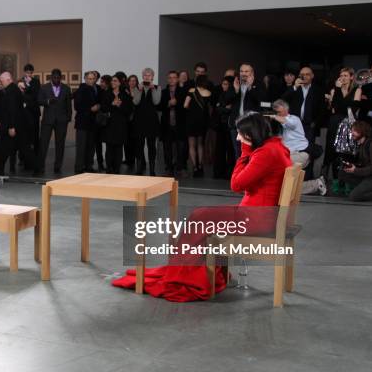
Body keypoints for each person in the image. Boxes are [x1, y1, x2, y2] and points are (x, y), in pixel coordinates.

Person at [112, 112, 292, 301]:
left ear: (250, 135)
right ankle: (193, 273)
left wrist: (244, 154)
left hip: (257, 218)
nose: (238, 138)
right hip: (264, 215)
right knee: (201, 217)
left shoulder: (265, 154)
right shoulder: (277, 148)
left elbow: (236, 185)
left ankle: (182, 277)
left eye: (240, 134)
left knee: (199, 217)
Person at [269, 99, 326, 195]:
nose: (277, 112)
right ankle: (316, 184)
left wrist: (274, 116)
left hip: (301, 154)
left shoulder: (294, 119)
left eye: (278, 110)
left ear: (286, 109)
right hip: (291, 154)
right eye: (275, 111)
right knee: (286, 188)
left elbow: (288, 123)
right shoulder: (278, 126)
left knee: (278, 165)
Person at [323, 67, 360, 192]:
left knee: (347, 154)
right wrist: (338, 90)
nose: (343, 78)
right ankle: (336, 182)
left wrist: (341, 104)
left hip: (348, 125)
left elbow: (352, 109)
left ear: (351, 77)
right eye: (341, 75)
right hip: (334, 123)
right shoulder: (335, 90)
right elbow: (334, 109)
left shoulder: (357, 90)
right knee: (333, 153)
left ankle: (348, 183)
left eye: (345, 75)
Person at [0, 72, 36, 175]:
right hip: (14, 126)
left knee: (8, 148)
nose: (1, 82)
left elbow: (12, 110)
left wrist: (11, 126)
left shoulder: (12, 91)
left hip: (13, 126)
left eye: (2, 80)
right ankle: (37, 168)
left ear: (8, 79)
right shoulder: (11, 89)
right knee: (19, 148)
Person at [36, 68, 72, 174]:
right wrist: (47, 101)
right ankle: (40, 166)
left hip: (62, 121)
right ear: (51, 77)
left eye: (58, 77)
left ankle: (58, 166)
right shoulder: (44, 87)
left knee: (60, 144)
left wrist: (68, 118)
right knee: (43, 143)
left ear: (61, 77)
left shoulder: (66, 88)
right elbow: (38, 101)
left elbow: (68, 105)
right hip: (47, 120)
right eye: (54, 77)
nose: (56, 79)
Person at [228, 63, 264, 157]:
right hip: (236, 125)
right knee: (238, 154)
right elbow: (225, 100)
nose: (243, 73)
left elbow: (262, 101)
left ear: (252, 73)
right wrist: (235, 90)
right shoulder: (236, 83)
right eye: (241, 71)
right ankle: (240, 172)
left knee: (251, 154)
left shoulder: (259, 84)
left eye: (246, 71)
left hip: (251, 126)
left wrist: (250, 87)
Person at [281, 66, 325, 143]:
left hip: (309, 125)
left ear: (312, 76)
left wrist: (315, 123)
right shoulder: (295, 88)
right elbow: (283, 100)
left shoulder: (318, 90)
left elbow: (322, 109)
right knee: (293, 147)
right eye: (302, 74)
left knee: (308, 149)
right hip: (294, 124)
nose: (304, 76)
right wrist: (294, 87)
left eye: (307, 74)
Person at [131, 68, 161, 176]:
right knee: (139, 145)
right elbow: (135, 101)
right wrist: (138, 90)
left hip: (151, 121)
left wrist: (153, 89)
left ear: (152, 77)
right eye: (145, 75)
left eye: (149, 75)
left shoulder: (158, 87)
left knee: (151, 145)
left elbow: (156, 101)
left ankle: (152, 170)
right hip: (139, 121)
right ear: (142, 77)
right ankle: (139, 168)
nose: (147, 77)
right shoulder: (137, 88)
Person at [101, 75, 133, 174]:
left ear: (119, 83)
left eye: (115, 81)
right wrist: (112, 105)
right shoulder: (106, 94)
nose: (112, 82)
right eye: (112, 81)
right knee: (109, 147)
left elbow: (129, 110)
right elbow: (103, 108)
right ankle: (109, 168)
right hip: (109, 124)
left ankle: (117, 169)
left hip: (121, 125)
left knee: (119, 148)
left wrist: (120, 105)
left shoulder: (125, 95)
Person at [338, 121, 372, 201]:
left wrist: (356, 170)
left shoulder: (371, 145)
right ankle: (363, 188)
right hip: (367, 175)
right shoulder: (360, 145)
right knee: (343, 173)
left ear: (362, 132)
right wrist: (352, 166)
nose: (351, 132)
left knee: (354, 197)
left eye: (354, 130)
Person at [159, 70, 186, 176]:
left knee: (181, 148)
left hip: (180, 124)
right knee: (167, 148)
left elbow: (186, 108)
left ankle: (180, 168)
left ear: (178, 79)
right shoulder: (163, 92)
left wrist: (176, 103)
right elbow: (159, 107)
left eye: (174, 77)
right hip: (167, 124)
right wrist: (168, 104)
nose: (172, 79)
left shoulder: (183, 91)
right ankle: (168, 168)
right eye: (170, 77)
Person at [184, 75, 211, 177]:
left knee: (191, 145)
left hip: (191, 121)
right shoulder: (209, 93)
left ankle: (194, 167)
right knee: (200, 144)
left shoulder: (191, 91)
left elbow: (185, 105)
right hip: (203, 121)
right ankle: (200, 166)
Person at [73, 72, 100, 174]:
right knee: (81, 146)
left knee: (91, 146)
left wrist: (99, 106)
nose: (91, 80)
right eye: (89, 78)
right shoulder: (81, 90)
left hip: (93, 123)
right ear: (85, 79)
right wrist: (90, 109)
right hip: (82, 123)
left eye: (93, 78)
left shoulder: (97, 88)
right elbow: (77, 106)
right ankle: (79, 168)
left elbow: (100, 101)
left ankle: (89, 166)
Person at [212, 76, 235, 178]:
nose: (223, 86)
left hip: (229, 126)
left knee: (230, 150)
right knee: (220, 149)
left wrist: (222, 108)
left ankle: (230, 172)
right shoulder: (221, 95)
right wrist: (223, 108)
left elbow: (230, 109)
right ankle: (219, 172)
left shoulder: (233, 95)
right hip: (220, 126)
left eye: (226, 84)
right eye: (223, 84)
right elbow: (218, 109)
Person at [21, 64, 42, 156]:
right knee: (24, 134)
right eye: (27, 72)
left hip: (34, 111)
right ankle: (23, 155)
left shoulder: (36, 81)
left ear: (32, 72)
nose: (28, 74)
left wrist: (28, 85)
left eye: (30, 72)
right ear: (24, 72)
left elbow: (36, 95)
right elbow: (20, 95)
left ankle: (36, 153)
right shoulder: (20, 81)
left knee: (35, 133)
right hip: (24, 112)